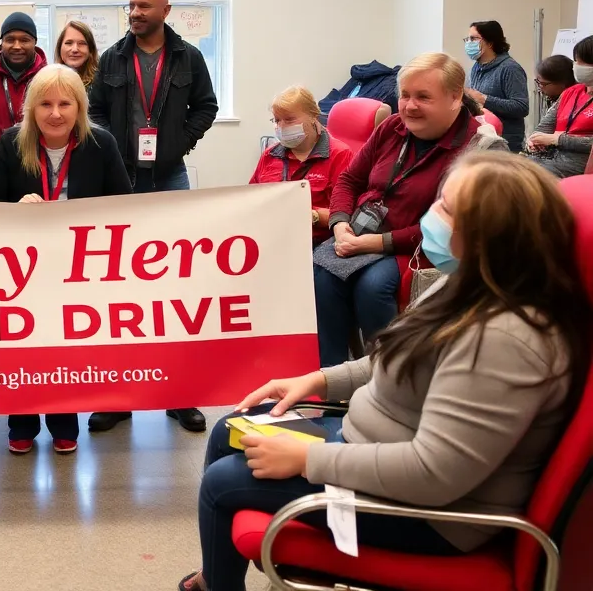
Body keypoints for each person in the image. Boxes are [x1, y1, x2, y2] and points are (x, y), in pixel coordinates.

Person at [179, 151, 590, 591]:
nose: (432, 216)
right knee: (229, 431)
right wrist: (317, 380)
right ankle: (214, 578)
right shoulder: (471, 281)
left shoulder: (506, 339)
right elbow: (399, 355)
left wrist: (308, 460)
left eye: (446, 209)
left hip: (431, 514)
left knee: (223, 484)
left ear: (490, 236)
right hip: (373, 449)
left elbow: (434, 473)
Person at [86, 0, 218, 435]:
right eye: (131, 5)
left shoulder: (188, 57)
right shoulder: (112, 58)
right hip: (120, 177)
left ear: (165, 9)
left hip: (169, 175)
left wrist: (180, 141)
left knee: (175, 289)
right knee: (119, 289)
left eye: (144, 6)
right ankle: (118, 396)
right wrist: (110, 144)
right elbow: (96, 110)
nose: (135, 12)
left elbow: (206, 106)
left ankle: (180, 395)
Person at [0, 65, 131, 454]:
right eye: (45, 103)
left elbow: (127, 209)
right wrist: (17, 208)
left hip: (81, 268)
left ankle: (65, 422)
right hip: (21, 269)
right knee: (22, 346)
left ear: (80, 107)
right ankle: (22, 422)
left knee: (67, 347)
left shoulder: (102, 144)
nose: (56, 113)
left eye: (66, 103)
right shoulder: (12, 143)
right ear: (31, 108)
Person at [315, 52, 480, 368]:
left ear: (455, 96)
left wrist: (376, 243)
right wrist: (339, 224)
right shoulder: (391, 128)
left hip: (422, 247)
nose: (410, 106)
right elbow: (349, 180)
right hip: (361, 233)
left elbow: (451, 225)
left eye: (423, 97)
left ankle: (388, 378)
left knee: (373, 286)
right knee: (322, 275)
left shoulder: (476, 146)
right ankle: (331, 381)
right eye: (405, 95)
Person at [249, 86, 353, 244]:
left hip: (316, 242)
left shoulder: (339, 155)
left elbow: (346, 214)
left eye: (289, 119)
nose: (281, 126)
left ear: (313, 116)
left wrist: (311, 215)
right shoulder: (270, 155)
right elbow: (251, 199)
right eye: (277, 120)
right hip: (271, 236)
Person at [0, 11, 48, 189]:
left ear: (35, 42)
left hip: (40, 170)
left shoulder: (48, 78)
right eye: (10, 39)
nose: (17, 46)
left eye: (24, 40)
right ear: (2, 43)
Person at [527, 35, 593, 179]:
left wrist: (558, 140)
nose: (576, 66)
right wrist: (534, 140)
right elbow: (544, 127)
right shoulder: (571, 92)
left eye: (582, 63)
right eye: (576, 61)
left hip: (578, 168)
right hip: (549, 159)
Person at [463, 20, 529, 152]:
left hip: (505, 141)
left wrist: (484, 99)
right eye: (467, 39)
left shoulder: (510, 68)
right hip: (482, 136)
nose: (469, 43)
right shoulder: (477, 66)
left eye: (473, 38)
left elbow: (521, 107)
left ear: (490, 42)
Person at [55, 20, 99, 94]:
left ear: (91, 50)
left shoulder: (101, 84)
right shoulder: (50, 83)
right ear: (59, 48)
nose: (75, 49)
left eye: (82, 43)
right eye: (69, 43)